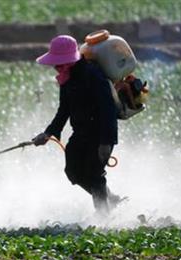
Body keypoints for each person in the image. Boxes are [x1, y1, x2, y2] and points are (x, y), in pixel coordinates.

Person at [32, 35, 122, 214]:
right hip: (81, 132)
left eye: (59, 63)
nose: (56, 67)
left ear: (69, 60)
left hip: (100, 134)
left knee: (94, 173)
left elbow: (108, 110)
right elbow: (64, 109)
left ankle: (103, 216)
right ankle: (110, 198)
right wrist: (49, 133)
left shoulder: (93, 76)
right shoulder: (67, 78)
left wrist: (106, 142)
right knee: (73, 171)